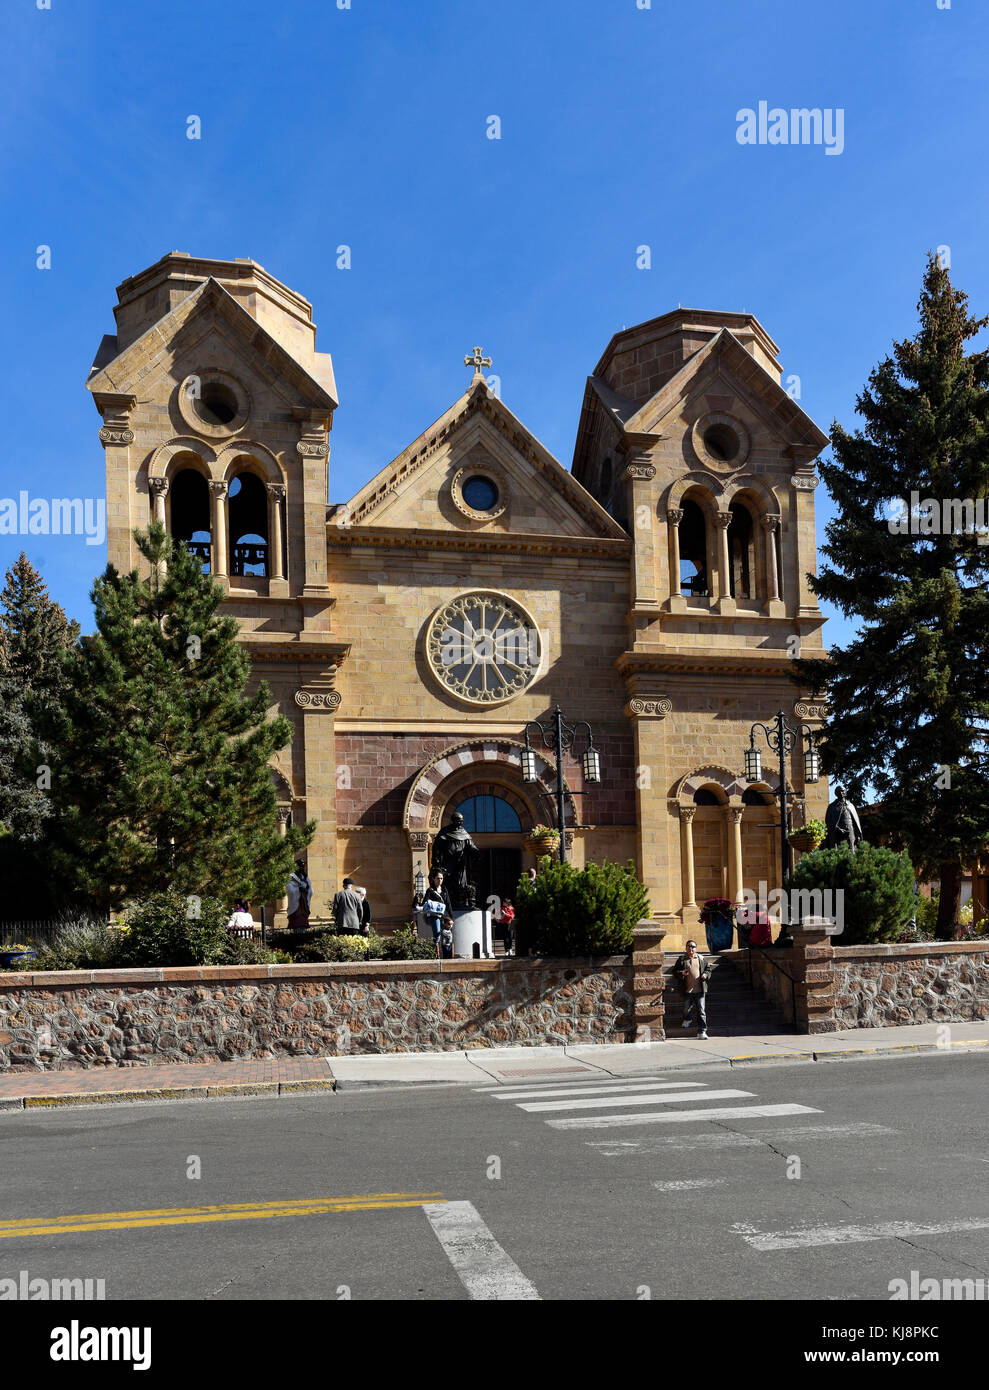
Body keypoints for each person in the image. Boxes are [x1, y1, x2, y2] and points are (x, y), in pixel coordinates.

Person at [672, 939, 712, 1038]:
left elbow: (708, 969)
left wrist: (706, 975)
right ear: (686, 948)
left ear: (696, 948)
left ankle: (702, 1031)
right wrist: (681, 973)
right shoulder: (681, 959)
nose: (691, 948)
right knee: (686, 1009)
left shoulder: (701, 958)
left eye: (693, 946)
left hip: (700, 990)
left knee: (701, 1011)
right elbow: (674, 972)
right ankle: (688, 1019)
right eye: (689, 946)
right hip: (687, 990)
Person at [286, 860, 312, 929]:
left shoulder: (306, 878)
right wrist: (298, 890)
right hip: (296, 905)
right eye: (300, 866)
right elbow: (289, 889)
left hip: (303, 903)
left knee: (303, 920)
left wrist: (306, 891)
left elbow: (311, 890)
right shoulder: (291, 877)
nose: (302, 868)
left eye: (303, 866)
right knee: (296, 921)